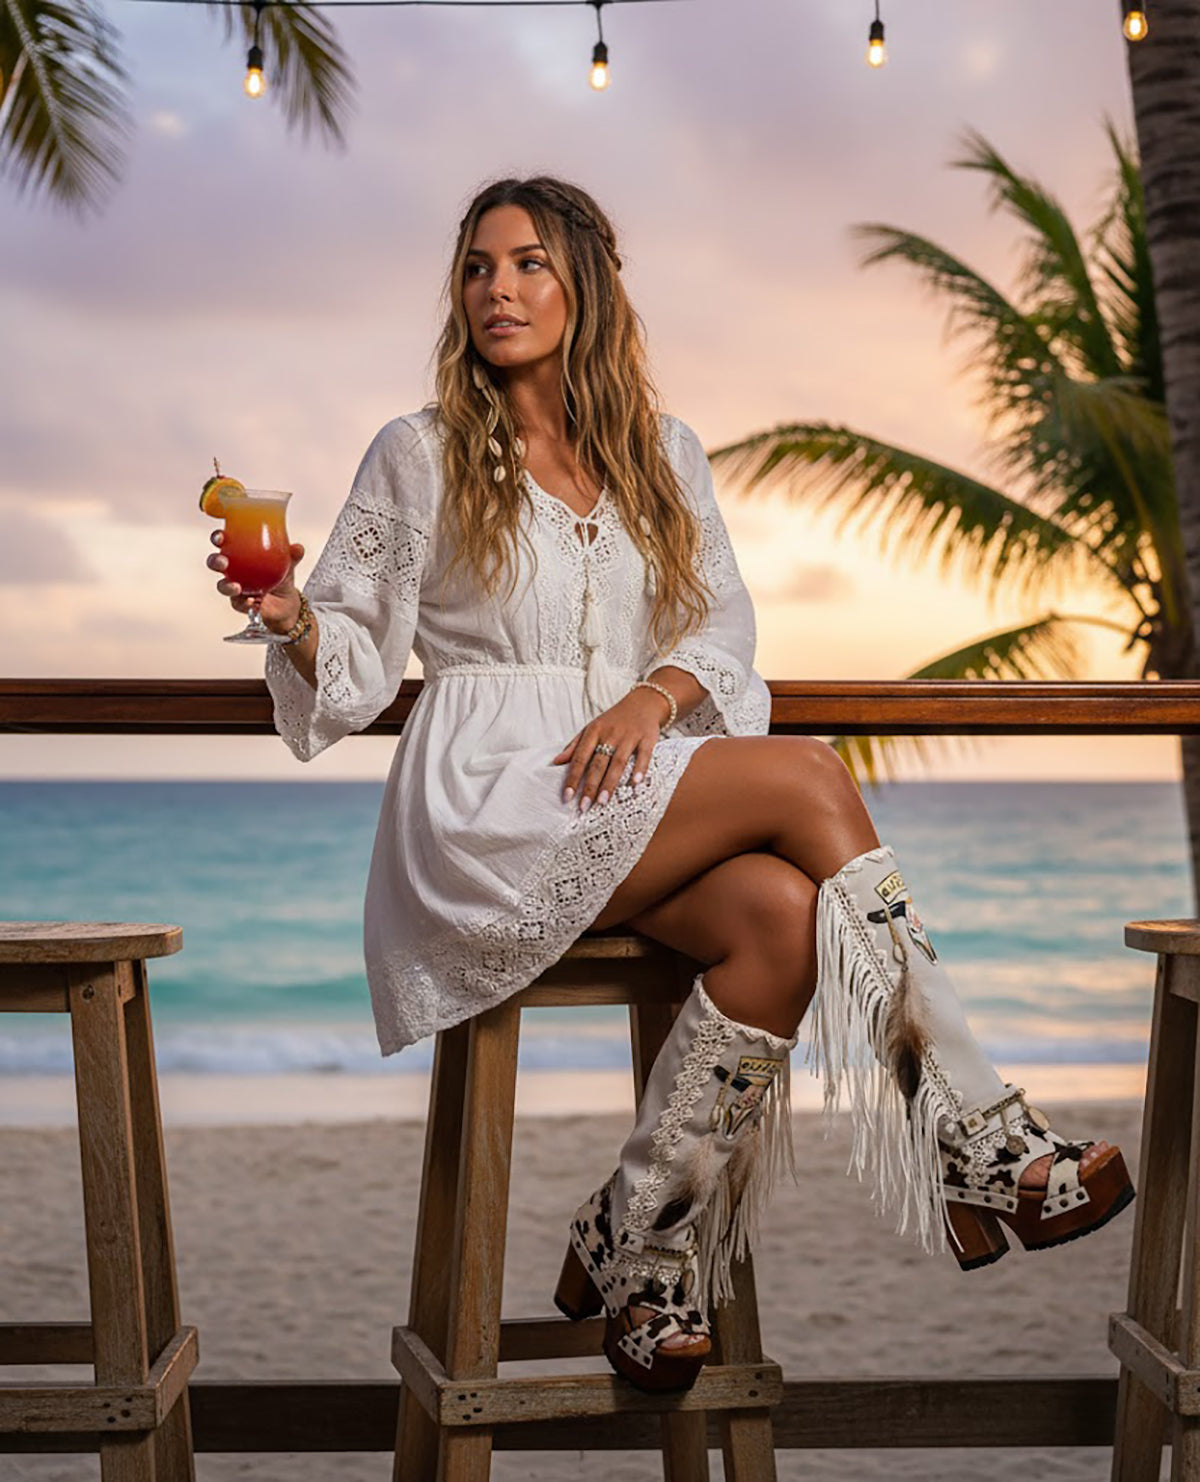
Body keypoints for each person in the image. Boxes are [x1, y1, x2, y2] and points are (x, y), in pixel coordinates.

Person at [207, 174, 1135, 1394]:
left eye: (530, 263)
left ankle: (638, 1237)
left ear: (586, 284)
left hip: (629, 782)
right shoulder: (421, 453)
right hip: (495, 800)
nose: (499, 289)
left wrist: (653, 697)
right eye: (479, 268)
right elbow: (358, 651)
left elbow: (725, 634)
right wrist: (290, 618)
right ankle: (978, 1131)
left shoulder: (664, 455)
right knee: (806, 774)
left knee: (783, 922)